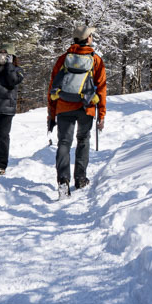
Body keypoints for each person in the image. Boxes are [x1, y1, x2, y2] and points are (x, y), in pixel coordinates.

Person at [46, 24, 107, 192]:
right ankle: (80, 178)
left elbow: (52, 85)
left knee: (64, 142)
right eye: (91, 36)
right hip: (86, 107)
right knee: (83, 140)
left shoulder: (63, 59)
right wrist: (101, 114)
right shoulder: (96, 60)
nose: (92, 38)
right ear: (88, 39)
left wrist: (51, 113)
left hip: (64, 105)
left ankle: (63, 180)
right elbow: (101, 89)